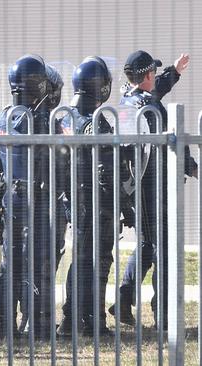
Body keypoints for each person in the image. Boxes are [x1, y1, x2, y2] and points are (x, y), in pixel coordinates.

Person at [110, 50, 197, 327]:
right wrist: (191, 166)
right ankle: (164, 314)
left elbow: (153, 90)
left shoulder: (127, 99)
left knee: (149, 244)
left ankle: (124, 300)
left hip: (138, 187)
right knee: (164, 248)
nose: (155, 77)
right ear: (147, 74)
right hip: (155, 187)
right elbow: (173, 140)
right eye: (153, 73)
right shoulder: (151, 108)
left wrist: (175, 71)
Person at [0, 54, 60, 339]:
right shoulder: (45, 122)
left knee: (10, 264)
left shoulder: (2, 118)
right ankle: (37, 323)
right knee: (40, 264)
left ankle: (6, 323)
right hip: (39, 206)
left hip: (10, 206)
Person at [56, 56, 117, 336]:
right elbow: (107, 168)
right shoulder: (96, 122)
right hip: (95, 201)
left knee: (80, 258)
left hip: (71, 199)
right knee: (98, 260)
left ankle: (74, 318)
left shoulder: (64, 116)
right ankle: (92, 320)